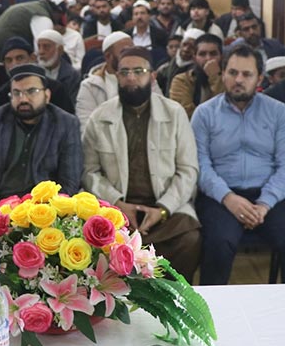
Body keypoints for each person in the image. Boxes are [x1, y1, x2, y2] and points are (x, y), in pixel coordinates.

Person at [191, 44, 285, 298]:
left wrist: (264, 204)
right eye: (232, 72)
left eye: (247, 74)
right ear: (222, 74)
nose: (238, 80)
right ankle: (211, 318)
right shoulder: (204, 114)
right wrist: (229, 199)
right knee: (218, 243)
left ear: (259, 78)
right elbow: (200, 165)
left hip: (271, 194)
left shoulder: (278, 112)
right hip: (221, 195)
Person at [82, 47, 202, 281]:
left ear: (152, 76)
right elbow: (90, 172)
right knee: (96, 241)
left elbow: (188, 170)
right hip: (117, 210)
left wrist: (163, 209)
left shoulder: (174, 113)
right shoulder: (100, 117)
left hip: (165, 210)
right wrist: (118, 204)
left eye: (139, 71)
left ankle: (171, 297)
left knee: (190, 239)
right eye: (124, 72)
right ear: (116, 76)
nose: (131, 78)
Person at [0, 64, 82, 222]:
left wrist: (41, 220)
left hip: (44, 213)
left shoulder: (66, 124)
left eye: (31, 91)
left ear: (47, 95)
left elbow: (70, 182)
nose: (23, 99)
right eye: (16, 93)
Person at [0, 37, 76, 114]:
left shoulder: (55, 90)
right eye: (9, 60)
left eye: (20, 58)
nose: (14, 64)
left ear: (33, 58)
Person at [76, 31, 134, 128]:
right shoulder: (90, 86)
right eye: (124, 52)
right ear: (108, 56)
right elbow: (87, 128)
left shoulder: (144, 79)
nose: (130, 57)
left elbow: (159, 111)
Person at [169, 33, 225, 118]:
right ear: (194, 58)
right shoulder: (181, 81)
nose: (208, 59)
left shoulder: (229, 80)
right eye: (202, 54)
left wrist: (215, 78)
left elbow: (225, 110)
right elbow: (186, 115)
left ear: (221, 57)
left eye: (213, 54)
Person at [36, 29, 81, 106]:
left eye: (46, 47)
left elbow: (72, 105)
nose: (41, 52)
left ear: (60, 50)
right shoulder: (33, 73)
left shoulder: (73, 76)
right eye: (39, 47)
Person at [156, 28, 202, 98]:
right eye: (184, 45)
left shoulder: (199, 71)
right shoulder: (166, 67)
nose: (186, 49)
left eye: (191, 47)